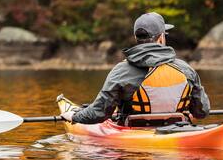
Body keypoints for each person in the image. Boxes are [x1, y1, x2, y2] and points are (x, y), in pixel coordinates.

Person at [60, 12, 210, 125]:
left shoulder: (121, 71)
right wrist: (187, 114)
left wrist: (73, 116)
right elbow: (202, 112)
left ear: (136, 38)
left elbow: (98, 113)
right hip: (177, 130)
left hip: (133, 135)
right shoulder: (186, 70)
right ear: (161, 38)